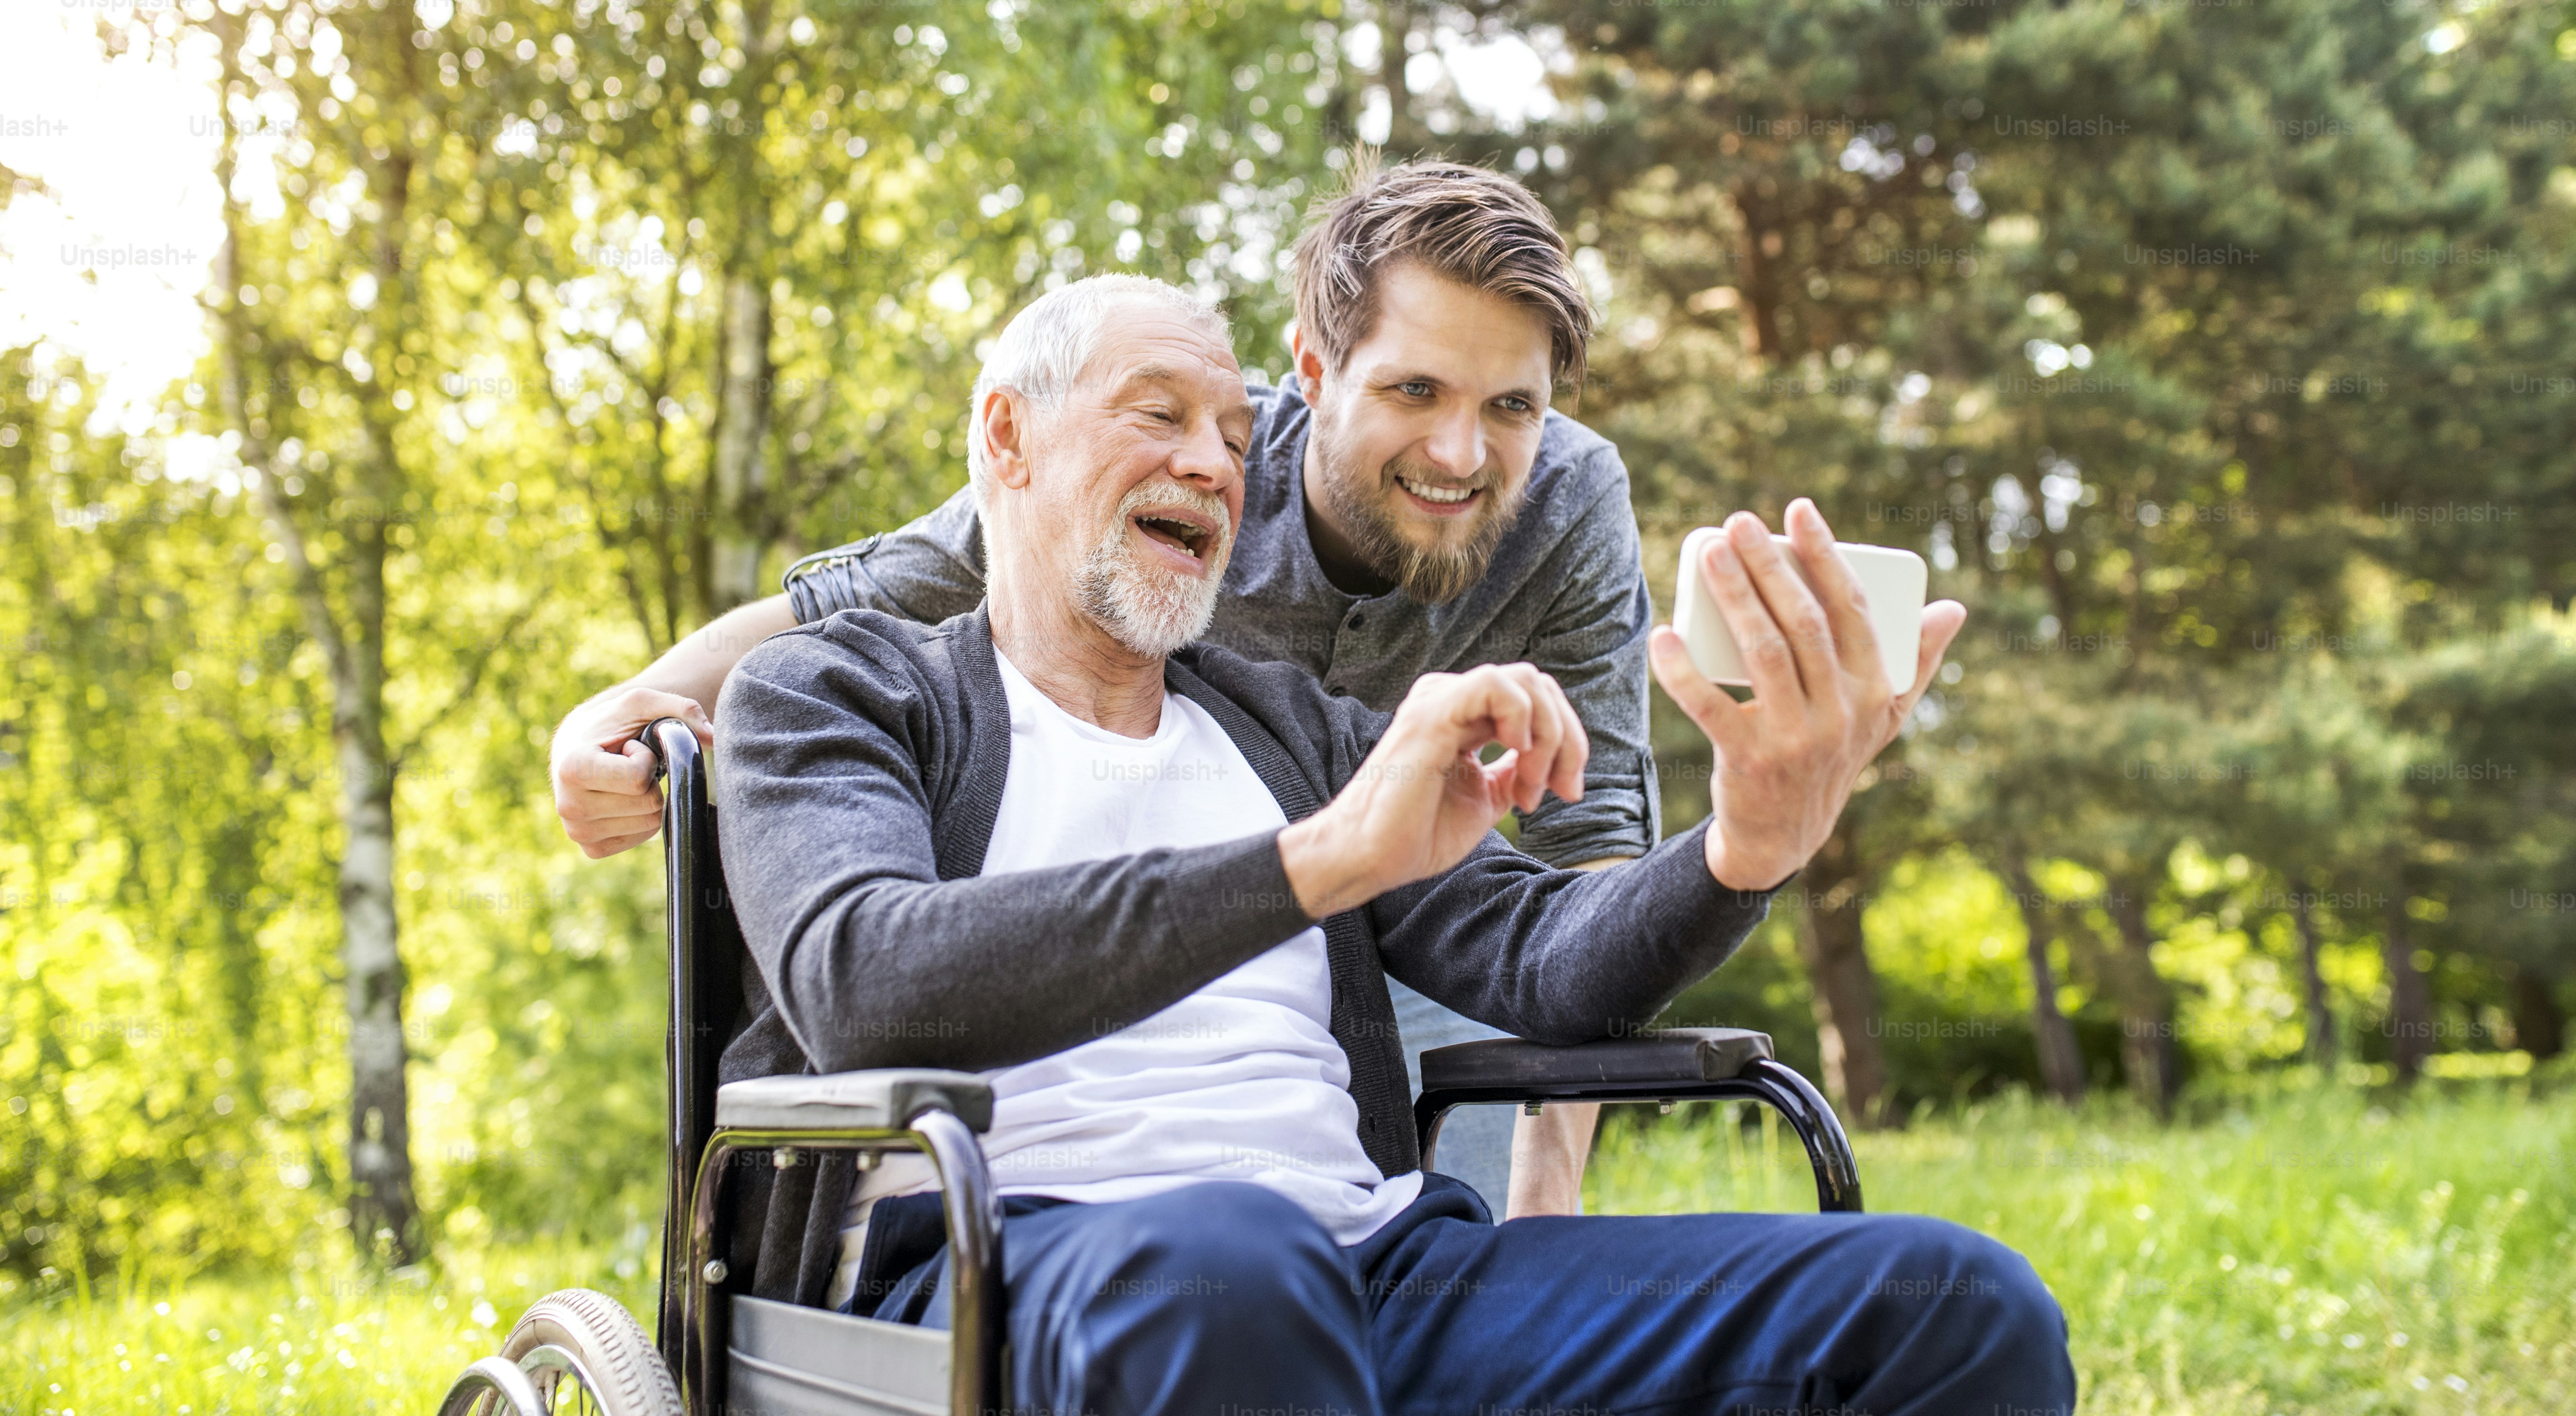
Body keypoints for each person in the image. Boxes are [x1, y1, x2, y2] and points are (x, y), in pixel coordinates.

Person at [710, 277, 2068, 1416]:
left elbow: (1543, 961)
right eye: (1159, 415)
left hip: (1372, 1272)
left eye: (1234, 435)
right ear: (1007, 436)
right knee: (1239, 1266)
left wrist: (1744, 845)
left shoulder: (1295, 731)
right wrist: (1315, 863)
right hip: (1004, 1277)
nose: (1213, 464)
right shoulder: (839, 693)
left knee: (1954, 1305)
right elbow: (866, 981)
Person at [555, 157, 1666, 1216]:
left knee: (1459, 1240)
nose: (1460, 452)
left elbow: (1591, 835)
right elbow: (860, 593)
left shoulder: (1567, 504)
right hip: (1143, 926)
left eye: (1510, 406)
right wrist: (627, 708)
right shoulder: (1171, 472)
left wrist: (1546, 1191)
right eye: (1413, 389)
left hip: (1413, 924)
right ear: (1315, 374)